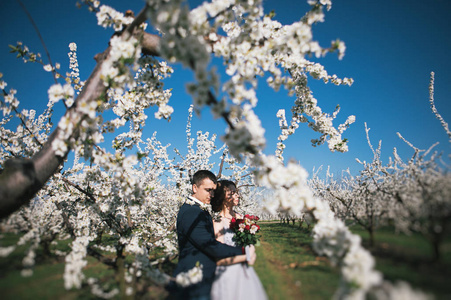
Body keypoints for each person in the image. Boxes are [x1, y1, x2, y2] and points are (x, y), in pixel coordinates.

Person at [170, 170, 255, 300]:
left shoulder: (197, 209)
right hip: (195, 281)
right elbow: (210, 245)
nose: (211, 194)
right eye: (208, 190)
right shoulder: (191, 212)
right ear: (194, 187)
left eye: (213, 190)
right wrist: (243, 250)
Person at [210, 180, 268, 300]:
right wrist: (246, 256)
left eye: (236, 192)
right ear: (223, 196)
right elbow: (219, 260)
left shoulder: (241, 218)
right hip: (228, 275)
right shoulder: (218, 223)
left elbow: (249, 242)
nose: (237, 195)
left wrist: (251, 250)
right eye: (233, 192)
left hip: (245, 273)